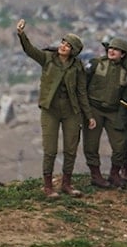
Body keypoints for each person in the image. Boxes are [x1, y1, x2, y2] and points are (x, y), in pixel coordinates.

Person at [16, 18, 96, 199]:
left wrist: (89, 115)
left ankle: (67, 183)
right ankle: (47, 186)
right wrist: (21, 34)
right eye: (63, 43)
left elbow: (81, 92)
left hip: (71, 111)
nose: (63, 47)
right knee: (50, 149)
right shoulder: (47, 58)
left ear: (74, 51)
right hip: (50, 110)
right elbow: (30, 50)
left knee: (70, 149)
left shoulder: (77, 67)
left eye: (68, 46)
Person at [83, 37, 127, 188]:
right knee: (91, 144)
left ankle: (114, 173)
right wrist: (85, 111)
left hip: (114, 111)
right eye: (110, 48)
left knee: (121, 144)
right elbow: (83, 85)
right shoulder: (96, 64)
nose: (112, 51)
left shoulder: (126, 72)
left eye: (116, 49)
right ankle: (96, 175)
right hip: (94, 109)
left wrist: (122, 114)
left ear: (123, 54)